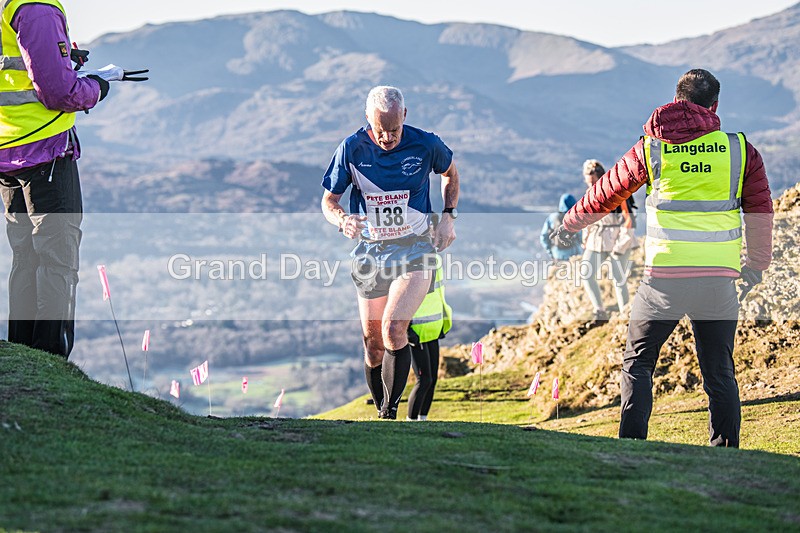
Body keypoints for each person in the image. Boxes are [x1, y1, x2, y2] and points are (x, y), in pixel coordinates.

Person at [551, 69, 773, 447]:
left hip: (663, 280)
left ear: (676, 99)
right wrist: (756, 265)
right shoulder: (739, 150)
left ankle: (632, 445)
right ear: (714, 106)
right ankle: (726, 453)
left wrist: (569, 225)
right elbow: (760, 212)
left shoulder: (652, 148)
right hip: (717, 280)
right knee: (719, 371)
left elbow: (606, 193)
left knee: (638, 363)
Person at [321, 86, 459, 420]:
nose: (387, 138)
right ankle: (381, 410)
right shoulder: (351, 149)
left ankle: (389, 413)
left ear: (405, 116)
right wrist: (342, 219)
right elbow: (328, 200)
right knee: (373, 344)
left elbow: (451, 174)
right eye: (380, 130)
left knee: (394, 328)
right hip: (371, 253)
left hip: (416, 249)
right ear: (367, 118)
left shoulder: (425, 144)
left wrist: (448, 217)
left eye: (394, 129)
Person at [0, 0, 113, 358]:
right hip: (44, 150)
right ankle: (51, 357)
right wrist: (97, 86)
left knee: (26, 258)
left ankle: (23, 354)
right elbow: (58, 93)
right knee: (57, 260)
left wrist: (61, 61)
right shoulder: (37, 7)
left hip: (7, 150)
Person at [579, 159, 638, 325]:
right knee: (586, 273)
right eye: (588, 182)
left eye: (593, 182)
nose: (591, 185)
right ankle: (600, 312)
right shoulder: (590, 194)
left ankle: (625, 315)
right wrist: (586, 238)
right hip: (597, 238)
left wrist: (621, 245)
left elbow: (629, 220)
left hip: (619, 237)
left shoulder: (617, 192)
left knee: (618, 277)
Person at [407, 252, 452, 421]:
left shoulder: (435, 259)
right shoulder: (409, 259)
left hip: (433, 329)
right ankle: (411, 422)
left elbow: (437, 294)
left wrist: (441, 323)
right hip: (416, 332)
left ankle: (423, 420)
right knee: (423, 380)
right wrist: (407, 330)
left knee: (432, 380)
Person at [540, 193, 583, 261]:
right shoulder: (575, 218)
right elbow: (581, 237)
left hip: (557, 255)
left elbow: (544, 237)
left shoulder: (552, 218)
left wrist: (550, 252)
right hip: (574, 255)